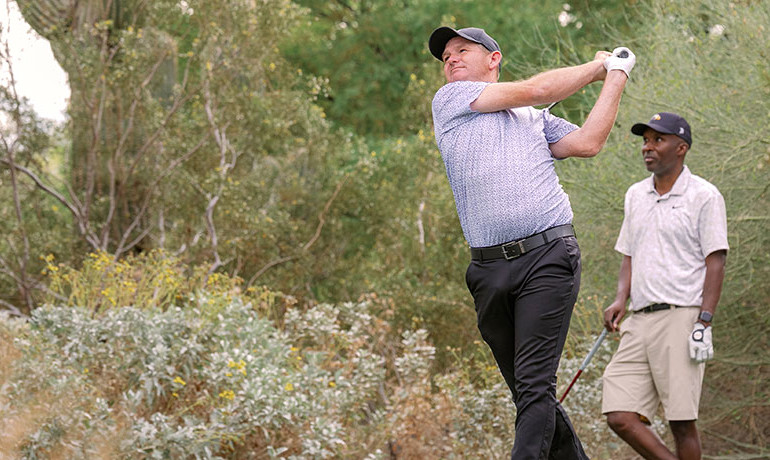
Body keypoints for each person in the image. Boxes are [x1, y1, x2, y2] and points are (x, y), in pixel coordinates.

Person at [429, 25, 634, 459]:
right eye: (445, 55)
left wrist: (616, 76)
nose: (450, 59)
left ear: (494, 58)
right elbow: (539, 88)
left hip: (548, 256)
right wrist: (599, 65)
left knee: (536, 386)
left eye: (461, 50)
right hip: (487, 270)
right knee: (529, 395)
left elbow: (588, 142)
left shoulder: (536, 119)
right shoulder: (449, 102)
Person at [601, 112, 728, 459]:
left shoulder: (704, 195)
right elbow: (629, 253)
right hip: (638, 321)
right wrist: (619, 298)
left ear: (681, 148)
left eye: (658, 140)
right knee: (620, 415)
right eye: (645, 140)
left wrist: (704, 321)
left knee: (681, 422)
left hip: (681, 318)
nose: (648, 147)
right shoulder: (635, 195)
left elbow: (715, 261)